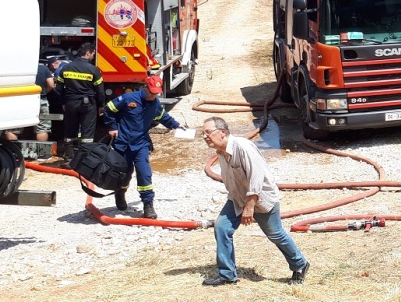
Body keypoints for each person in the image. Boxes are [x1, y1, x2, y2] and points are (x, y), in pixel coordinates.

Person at [200, 116, 309, 286]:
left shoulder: (243, 147)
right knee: (221, 227)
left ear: (222, 132)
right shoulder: (221, 152)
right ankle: (227, 274)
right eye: (203, 134)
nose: (205, 137)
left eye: (208, 132)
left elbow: (256, 179)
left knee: (275, 234)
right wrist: (240, 203)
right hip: (238, 198)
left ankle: (300, 264)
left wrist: (250, 208)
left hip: (261, 199)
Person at [103, 73, 185, 219]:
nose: (153, 96)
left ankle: (148, 205)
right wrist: (112, 127)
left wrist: (176, 125)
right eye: (152, 92)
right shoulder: (129, 98)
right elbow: (109, 109)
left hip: (141, 144)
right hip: (123, 144)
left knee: (144, 173)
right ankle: (120, 194)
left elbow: (162, 116)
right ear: (145, 88)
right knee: (124, 174)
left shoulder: (155, 103)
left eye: (156, 94)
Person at [56, 42, 105, 149]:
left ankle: (69, 157)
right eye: (93, 54)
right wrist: (101, 105)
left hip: (70, 103)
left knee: (70, 131)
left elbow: (59, 88)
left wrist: (63, 102)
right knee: (87, 134)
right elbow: (100, 91)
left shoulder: (66, 68)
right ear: (88, 53)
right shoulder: (93, 69)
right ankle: (83, 159)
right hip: (88, 105)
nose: (93, 56)